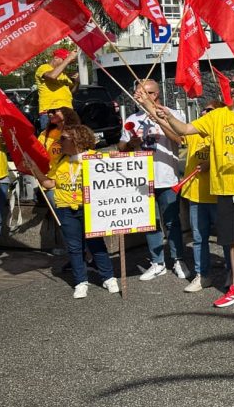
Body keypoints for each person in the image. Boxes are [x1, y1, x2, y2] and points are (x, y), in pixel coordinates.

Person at [137, 70, 234, 308]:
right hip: (224, 189)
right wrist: (152, 107)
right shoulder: (217, 116)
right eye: (233, 85)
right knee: (233, 241)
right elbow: (183, 130)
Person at [23, 125, 118, 298]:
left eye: (64, 138)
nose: (60, 142)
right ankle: (81, 281)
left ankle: (109, 277)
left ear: (77, 140)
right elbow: (49, 184)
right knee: (74, 248)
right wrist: (34, 169)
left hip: (90, 209)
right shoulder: (60, 160)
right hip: (66, 208)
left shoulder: (96, 158)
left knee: (96, 244)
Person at [119, 79, 188, 283]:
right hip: (142, 180)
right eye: (136, 93)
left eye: (142, 93)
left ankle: (178, 259)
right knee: (149, 223)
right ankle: (157, 262)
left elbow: (179, 138)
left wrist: (158, 119)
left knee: (172, 222)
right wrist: (131, 143)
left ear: (154, 95)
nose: (137, 96)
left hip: (167, 177)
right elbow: (121, 147)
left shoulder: (172, 114)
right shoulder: (132, 118)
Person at [177, 100, 227, 293]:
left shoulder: (222, 134)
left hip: (218, 195)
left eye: (210, 110)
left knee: (226, 240)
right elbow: (176, 134)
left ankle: (231, 275)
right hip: (196, 195)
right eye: (204, 109)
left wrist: (210, 164)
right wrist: (156, 114)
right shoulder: (195, 133)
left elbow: (230, 157)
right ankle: (202, 275)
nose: (205, 112)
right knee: (199, 239)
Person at [35, 48, 79, 130]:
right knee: (52, 140)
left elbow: (72, 92)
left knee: (71, 139)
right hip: (51, 112)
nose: (67, 64)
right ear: (56, 58)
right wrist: (69, 58)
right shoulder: (44, 68)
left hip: (67, 112)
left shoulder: (64, 75)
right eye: (64, 60)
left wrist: (76, 82)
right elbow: (52, 76)